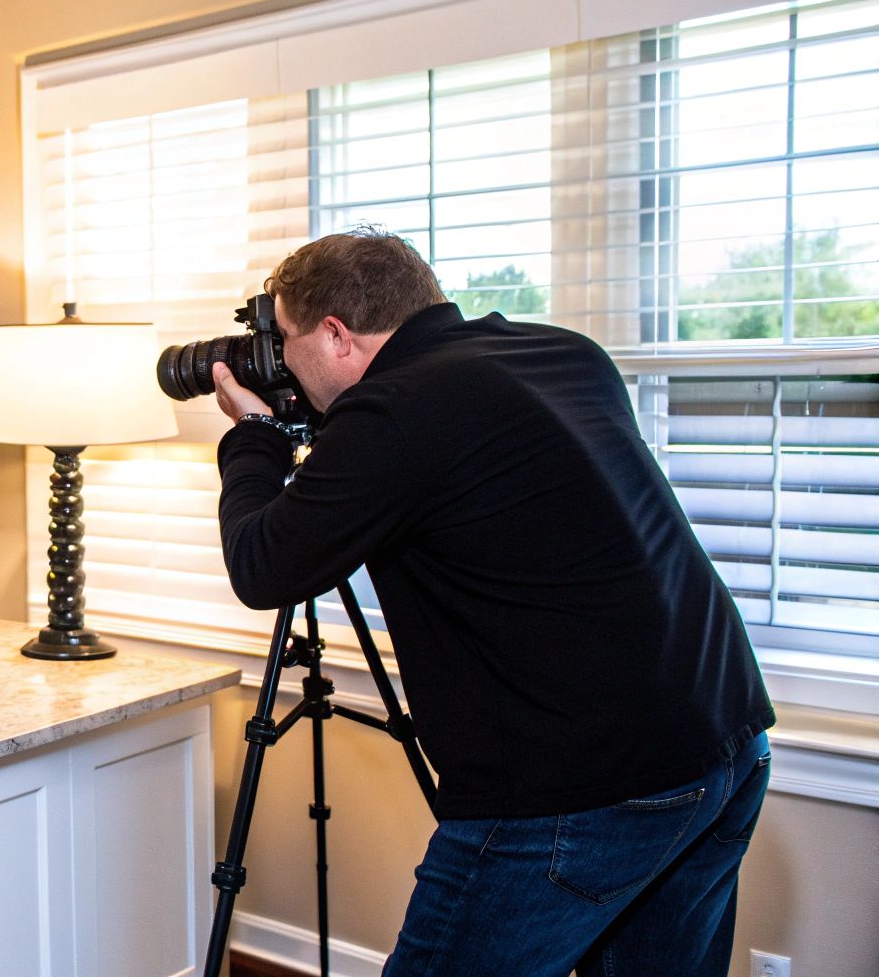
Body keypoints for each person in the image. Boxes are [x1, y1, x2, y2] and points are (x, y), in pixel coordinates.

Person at [209, 227, 774, 976]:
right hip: (725, 738)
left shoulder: (394, 413)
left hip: (582, 786)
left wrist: (252, 436)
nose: (281, 362)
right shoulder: (563, 352)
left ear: (337, 335)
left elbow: (262, 565)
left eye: (285, 341)